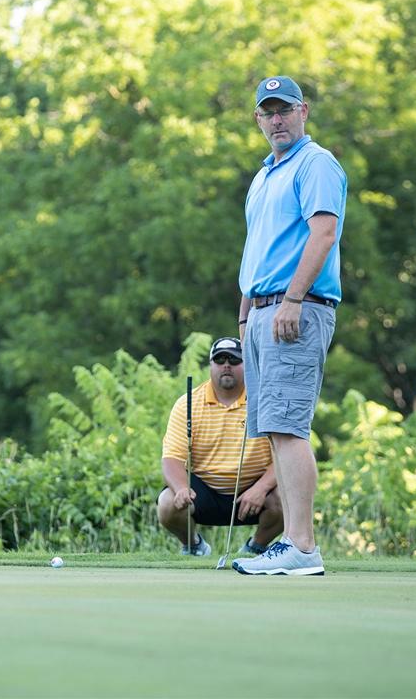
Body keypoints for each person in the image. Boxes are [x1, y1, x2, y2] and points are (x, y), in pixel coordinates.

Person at [231, 76, 347, 576]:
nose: (276, 119)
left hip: (295, 308)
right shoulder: (263, 176)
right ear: (258, 119)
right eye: (267, 112)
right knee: (274, 429)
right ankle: (294, 547)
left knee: (288, 424)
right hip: (261, 313)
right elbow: (257, 249)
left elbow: (323, 233)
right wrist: (244, 315)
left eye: (285, 110)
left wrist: (293, 299)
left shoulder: (316, 163)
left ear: (304, 111)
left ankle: (301, 546)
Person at [157, 337, 284, 557]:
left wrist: (261, 488)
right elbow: (172, 459)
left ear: (247, 364)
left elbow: (284, 456)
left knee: (289, 497)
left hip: (253, 491)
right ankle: (194, 546)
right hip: (204, 491)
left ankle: (254, 548)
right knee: (167, 503)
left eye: (234, 360)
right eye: (220, 359)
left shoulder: (265, 399)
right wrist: (180, 489)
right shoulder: (187, 403)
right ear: (211, 366)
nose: (226, 365)